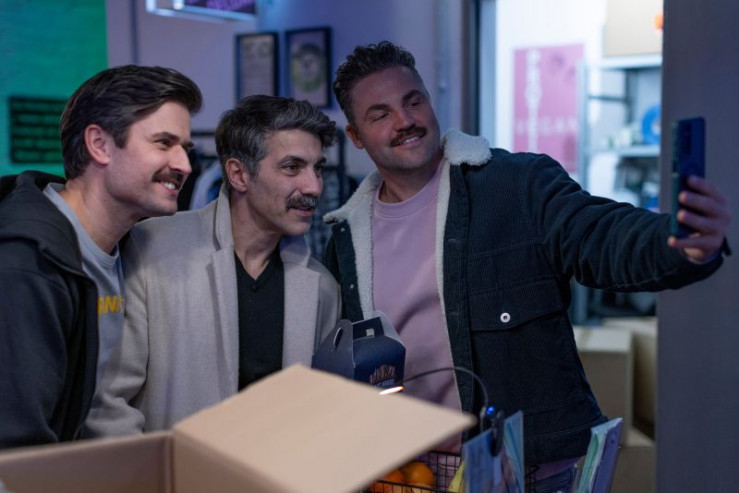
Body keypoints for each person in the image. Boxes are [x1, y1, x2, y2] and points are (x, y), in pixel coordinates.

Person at [324, 41, 731, 491]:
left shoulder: (516, 185)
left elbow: (600, 234)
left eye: (413, 101)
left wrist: (678, 242)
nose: (405, 121)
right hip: (410, 475)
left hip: (527, 473)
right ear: (356, 136)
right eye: (381, 114)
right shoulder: (346, 237)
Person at [84, 95, 341, 436]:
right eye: (292, 167)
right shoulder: (152, 248)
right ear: (238, 174)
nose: (314, 187)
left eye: (317, 168)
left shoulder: (322, 287)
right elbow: (108, 401)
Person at [0, 65, 202, 448]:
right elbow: (15, 447)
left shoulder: (128, 249)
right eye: (163, 143)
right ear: (100, 145)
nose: (184, 165)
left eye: (185, 149)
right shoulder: (28, 262)